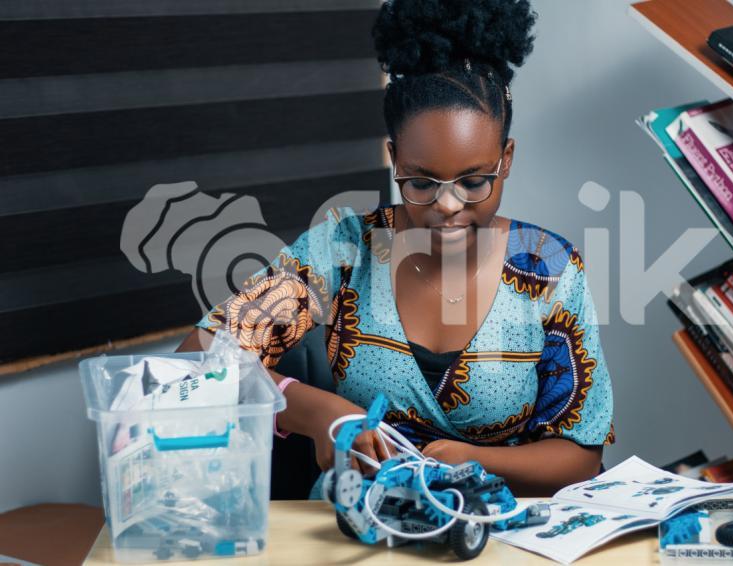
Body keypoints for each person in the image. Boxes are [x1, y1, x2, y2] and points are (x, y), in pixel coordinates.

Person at [178, 0, 613, 497]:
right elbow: (198, 359)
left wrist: (472, 460)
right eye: (422, 182)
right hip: (362, 528)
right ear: (394, 158)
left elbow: (580, 457)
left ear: (506, 159)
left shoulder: (550, 272)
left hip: (498, 534)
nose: (448, 205)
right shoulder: (343, 252)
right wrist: (317, 411)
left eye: (474, 182)